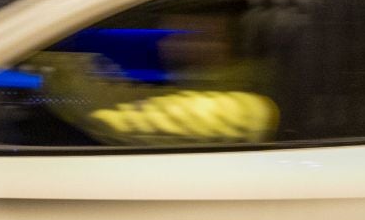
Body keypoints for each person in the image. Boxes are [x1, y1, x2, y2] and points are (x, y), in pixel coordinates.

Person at [33, 9, 278, 147]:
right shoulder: (215, 80)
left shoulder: (241, 110)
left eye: (190, 29)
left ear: (221, 36)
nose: (167, 36)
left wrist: (42, 59)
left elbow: (116, 116)